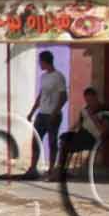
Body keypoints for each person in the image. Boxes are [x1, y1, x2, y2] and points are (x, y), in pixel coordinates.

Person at [22, 51, 69, 180]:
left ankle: (51, 170)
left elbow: (64, 97)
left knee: (52, 142)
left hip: (53, 115)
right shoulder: (43, 77)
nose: (39, 64)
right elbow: (40, 95)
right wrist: (32, 111)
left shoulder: (59, 77)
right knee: (36, 141)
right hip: (41, 114)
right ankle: (32, 168)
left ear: (45, 61)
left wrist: (55, 112)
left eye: (40, 61)